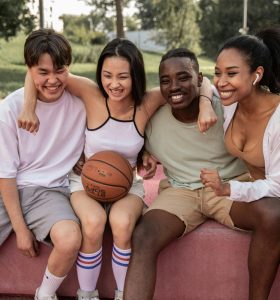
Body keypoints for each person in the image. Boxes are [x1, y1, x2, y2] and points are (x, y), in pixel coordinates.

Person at [19, 38, 216, 300]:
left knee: (122, 223)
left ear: (135, 76)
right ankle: (87, 294)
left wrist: (204, 104)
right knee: (93, 221)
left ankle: (124, 293)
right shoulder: (91, 93)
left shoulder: (147, 102)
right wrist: (28, 108)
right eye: (107, 75)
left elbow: (203, 81)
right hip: (84, 182)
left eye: (123, 76)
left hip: (126, 185)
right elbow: (36, 71)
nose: (114, 83)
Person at [123, 48, 249, 300]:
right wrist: (145, 155)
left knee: (272, 217)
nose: (174, 86)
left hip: (230, 186)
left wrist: (206, 102)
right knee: (144, 235)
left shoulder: (226, 109)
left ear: (199, 79)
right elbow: (134, 143)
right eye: (166, 81)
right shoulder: (152, 118)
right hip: (180, 191)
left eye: (183, 77)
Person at [0, 29, 86, 300]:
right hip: (7, 189)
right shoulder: (11, 108)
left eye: (59, 70)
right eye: (42, 72)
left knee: (70, 238)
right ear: (29, 71)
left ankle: (44, 294)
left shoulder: (82, 104)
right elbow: (6, 174)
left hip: (48, 192)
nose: (52, 80)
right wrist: (21, 229)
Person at [200, 27, 280, 300]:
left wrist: (229, 189)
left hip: (273, 191)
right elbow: (200, 82)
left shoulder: (277, 117)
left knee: (274, 215)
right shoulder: (231, 103)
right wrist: (204, 103)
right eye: (218, 72)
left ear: (257, 75)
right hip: (260, 190)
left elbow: (278, 187)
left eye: (231, 73)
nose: (221, 81)